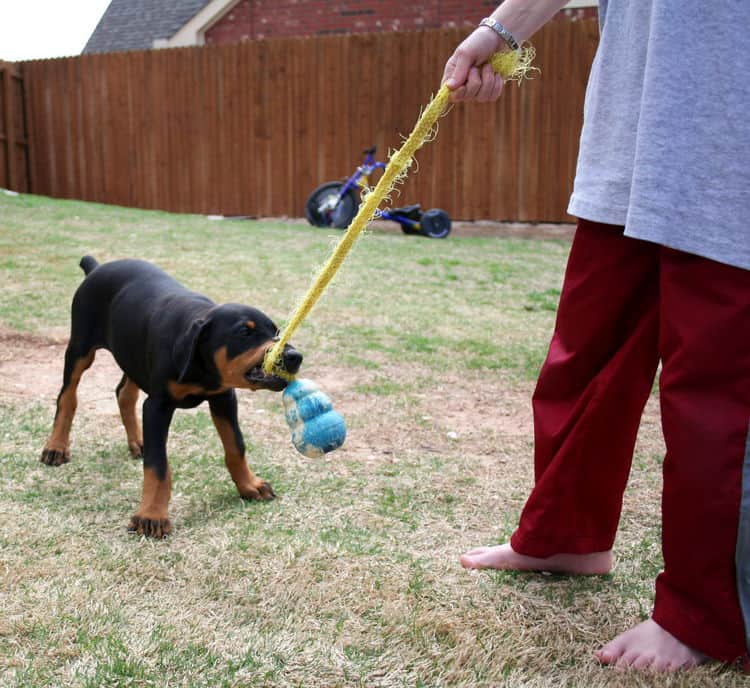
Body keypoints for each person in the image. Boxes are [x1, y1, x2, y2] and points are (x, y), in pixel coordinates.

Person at [441, 0, 750, 673]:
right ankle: (563, 537)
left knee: (718, 397)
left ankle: (708, 614)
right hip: (629, 129)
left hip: (732, 144)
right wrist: (500, 30)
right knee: (586, 359)